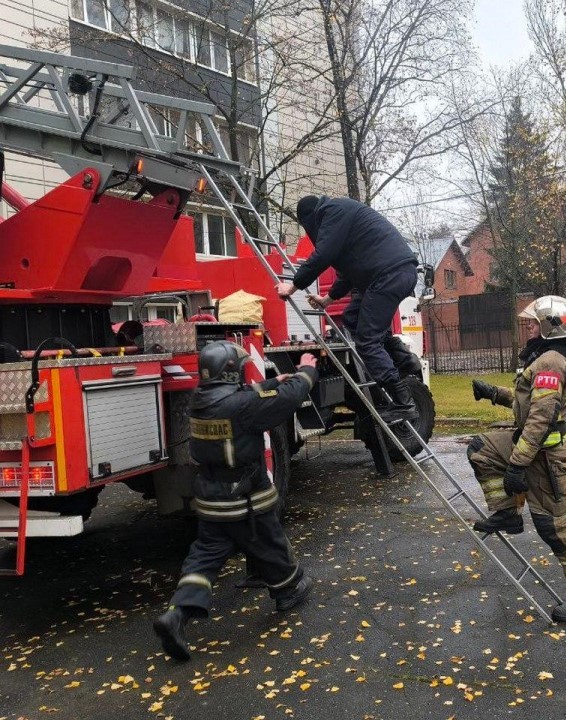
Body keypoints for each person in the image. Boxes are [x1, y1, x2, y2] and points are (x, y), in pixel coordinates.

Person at [153, 341, 319, 661]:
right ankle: (287, 590)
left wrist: (271, 382)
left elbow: (244, 399)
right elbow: (288, 399)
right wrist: (307, 370)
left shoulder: (200, 400)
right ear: (229, 372)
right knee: (269, 543)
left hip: (211, 500)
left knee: (203, 559)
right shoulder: (242, 407)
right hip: (244, 499)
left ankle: (177, 614)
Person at [468, 295, 566, 622]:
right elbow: (530, 401)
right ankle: (507, 515)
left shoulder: (550, 362)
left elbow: (541, 418)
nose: (526, 325)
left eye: (532, 321)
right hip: (534, 443)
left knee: (554, 525)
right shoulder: (544, 357)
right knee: (481, 449)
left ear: (549, 326)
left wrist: (517, 465)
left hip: (548, 454)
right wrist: (493, 393)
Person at [275, 195, 419, 423]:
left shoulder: (332, 212)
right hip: (392, 273)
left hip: (388, 275)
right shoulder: (340, 216)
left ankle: (404, 403)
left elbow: (323, 254)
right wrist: (327, 300)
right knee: (352, 317)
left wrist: (292, 286)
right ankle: (403, 359)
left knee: (367, 340)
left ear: (309, 218)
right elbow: (349, 272)